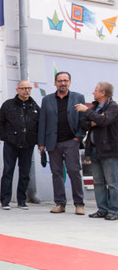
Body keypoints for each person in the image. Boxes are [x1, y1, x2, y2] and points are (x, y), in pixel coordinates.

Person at [38, 72, 86, 214]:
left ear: (69, 82)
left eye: (65, 80)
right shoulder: (47, 100)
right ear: (56, 83)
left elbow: (83, 120)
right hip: (53, 143)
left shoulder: (78, 97)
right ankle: (60, 204)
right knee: (56, 173)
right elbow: (43, 122)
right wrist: (41, 143)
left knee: (74, 172)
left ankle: (79, 204)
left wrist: (79, 137)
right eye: (60, 81)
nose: (63, 83)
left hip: (71, 141)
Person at [76, 82, 118, 220]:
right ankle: (102, 209)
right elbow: (84, 123)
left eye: (95, 90)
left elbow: (104, 121)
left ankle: (114, 210)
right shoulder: (95, 107)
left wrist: (88, 112)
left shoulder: (113, 107)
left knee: (112, 182)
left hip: (109, 150)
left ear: (103, 93)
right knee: (98, 182)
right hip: (94, 149)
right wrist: (94, 119)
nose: (93, 92)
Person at [0, 80, 39, 210]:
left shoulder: (34, 106)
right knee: (8, 171)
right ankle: (5, 201)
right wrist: (5, 137)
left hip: (28, 144)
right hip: (11, 144)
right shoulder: (8, 105)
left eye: (29, 88)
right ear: (17, 89)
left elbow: (40, 124)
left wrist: (36, 140)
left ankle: (21, 201)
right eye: (23, 88)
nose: (27, 91)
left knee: (25, 173)